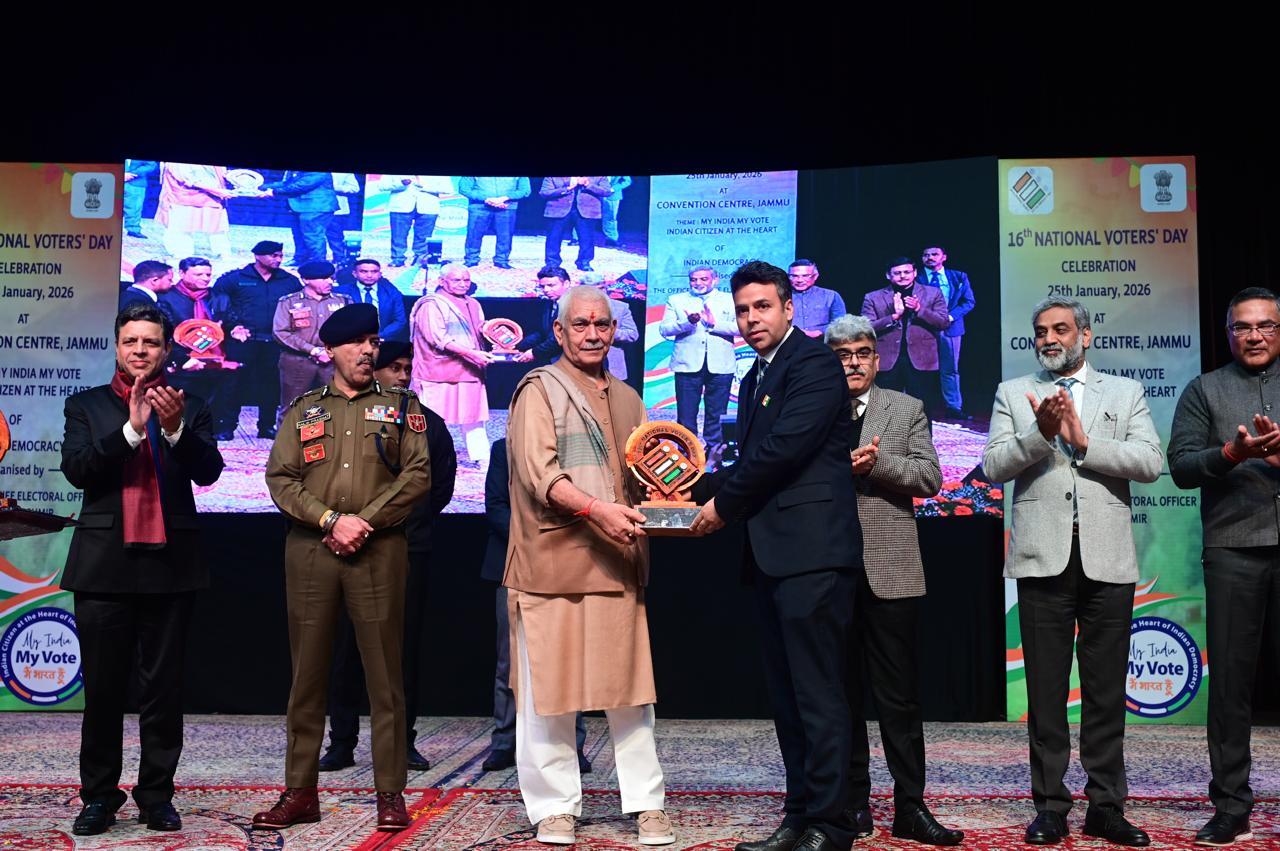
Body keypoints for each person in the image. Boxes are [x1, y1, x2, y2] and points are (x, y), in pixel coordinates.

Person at [689, 260, 862, 851]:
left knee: (818, 694)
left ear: (789, 308)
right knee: (788, 698)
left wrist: (721, 504)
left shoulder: (813, 363)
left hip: (813, 552)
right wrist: (689, 489)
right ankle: (798, 816)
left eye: (762, 306)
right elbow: (751, 460)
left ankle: (831, 825)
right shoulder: (753, 376)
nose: (751, 319)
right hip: (772, 554)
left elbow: (786, 449)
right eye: (742, 310)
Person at [983, 296, 1161, 847]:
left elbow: (1150, 462)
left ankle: (1106, 805)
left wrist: (1084, 443)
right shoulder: (1014, 392)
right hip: (1043, 561)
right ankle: (1050, 806)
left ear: (1086, 335)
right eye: (1041, 331)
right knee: (1046, 692)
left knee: (1105, 692)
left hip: (1108, 559)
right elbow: (991, 466)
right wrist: (1039, 433)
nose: (1050, 339)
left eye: (1061, 329)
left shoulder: (1123, 392)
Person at [504, 284, 673, 846]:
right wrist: (598, 510)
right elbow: (540, 474)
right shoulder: (538, 390)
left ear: (615, 330)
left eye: (602, 324)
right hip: (550, 562)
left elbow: (646, 475)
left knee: (631, 694)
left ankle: (647, 804)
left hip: (617, 560)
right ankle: (554, 808)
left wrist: (673, 502)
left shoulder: (628, 397)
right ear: (559, 331)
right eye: (581, 324)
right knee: (547, 696)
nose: (593, 334)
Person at [255, 304, 431, 833]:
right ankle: (300, 792)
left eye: (373, 342)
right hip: (312, 551)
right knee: (307, 675)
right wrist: (331, 519)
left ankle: (390, 794)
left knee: (385, 677)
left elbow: (418, 474)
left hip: (379, 551)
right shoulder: (304, 409)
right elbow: (281, 478)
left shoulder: (402, 406)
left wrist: (363, 522)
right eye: (356, 342)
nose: (367, 351)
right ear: (330, 349)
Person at [61, 303, 225, 836]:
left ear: (166, 349)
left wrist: (174, 430)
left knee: (163, 692)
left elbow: (209, 472)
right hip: (103, 568)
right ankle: (98, 797)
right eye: (130, 341)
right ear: (116, 347)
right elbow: (78, 471)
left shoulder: (190, 406)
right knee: (103, 692)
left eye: (150, 342)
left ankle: (157, 796)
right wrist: (131, 431)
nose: (139, 350)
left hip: (170, 567)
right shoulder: (85, 405)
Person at [823, 315, 962, 846]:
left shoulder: (905, 409)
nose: (853, 363)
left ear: (877, 359)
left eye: (862, 353)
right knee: (841, 695)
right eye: (842, 355)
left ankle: (911, 806)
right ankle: (853, 803)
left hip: (891, 569)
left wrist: (876, 465)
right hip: (829, 568)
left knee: (898, 698)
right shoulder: (814, 409)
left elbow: (930, 478)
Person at [1168, 286, 1280, 847]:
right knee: (1232, 685)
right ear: (1228, 332)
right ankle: (1232, 804)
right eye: (1242, 327)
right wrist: (1232, 454)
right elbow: (1181, 466)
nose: (1254, 336)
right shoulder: (1204, 389)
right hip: (1234, 548)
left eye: (1265, 325)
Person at [318, 340, 457, 774]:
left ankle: (401, 741)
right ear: (372, 370)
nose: (402, 375)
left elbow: (440, 488)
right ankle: (341, 742)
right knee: (345, 649)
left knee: (402, 651)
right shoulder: (343, 418)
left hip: (408, 549)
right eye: (393, 367)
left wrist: (397, 524)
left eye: (407, 368)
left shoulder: (428, 424)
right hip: (348, 551)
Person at [479, 436, 592, 775]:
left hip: (567, 563)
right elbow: (495, 506)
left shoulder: (571, 449)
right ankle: (505, 743)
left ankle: (573, 744)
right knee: (509, 660)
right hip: (514, 561)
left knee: (569, 659)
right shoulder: (504, 449)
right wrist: (533, 540)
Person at [214, 241, 302, 440]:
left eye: (280, 255)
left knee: (271, 384)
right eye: (273, 255)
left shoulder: (289, 281)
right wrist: (233, 325)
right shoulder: (234, 279)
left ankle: (266, 426)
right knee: (233, 384)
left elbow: (298, 308)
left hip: (275, 341)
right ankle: (226, 427)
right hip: (243, 340)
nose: (278, 259)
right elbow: (220, 304)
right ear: (257, 256)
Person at [409, 264, 494, 465]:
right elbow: (437, 338)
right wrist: (471, 354)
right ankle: (426, 458)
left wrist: (494, 332)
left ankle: (482, 457)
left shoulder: (473, 303)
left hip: (470, 369)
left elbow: (477, 332)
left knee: (474, 417)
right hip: (436, 370)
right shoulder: (431, 304)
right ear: (442, 281)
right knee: (433, 418)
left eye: (466, 280)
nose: (463, 284)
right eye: (457, 280)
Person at [659, 265, 737, 452]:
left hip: (721, 364)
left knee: (717, 412)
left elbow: (741, 327)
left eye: (703, 279)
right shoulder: (676, 300)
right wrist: (688, 322)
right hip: (687, 364)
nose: (698, 283)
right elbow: (665, 330)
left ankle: (714, 452)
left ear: (715, 280)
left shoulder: (730, 299)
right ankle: (688, 452)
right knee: (686, 413)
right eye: (693, 279)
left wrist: (714, 324)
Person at [159, 257, 238, 436]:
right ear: (182, 273)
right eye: (198, 274)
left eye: (208, 274)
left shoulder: (220, 298)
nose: (205, 278)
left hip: (215, 359)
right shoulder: (166, 298)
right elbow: (163, 331)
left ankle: (217, 428)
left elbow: (231, 322)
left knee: (218, 395)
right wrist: (182, 356)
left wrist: (236, 329)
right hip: (181, 359)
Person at [861, 258, 949, 417]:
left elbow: (943, 323)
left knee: (921, 410)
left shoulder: (932, 293)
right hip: (887, 360)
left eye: (907, 272)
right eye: (897, 273)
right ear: (888, 275)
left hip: (922, 360)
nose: (902, 276)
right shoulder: (873, 297)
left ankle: (919, 435)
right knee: (885, 410)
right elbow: (865, 328)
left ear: (914, 273)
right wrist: (894, 317)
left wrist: (919, 309)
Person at [273, 261, 352, 427]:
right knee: (292, 407)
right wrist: (314, 350)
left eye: (331, 278)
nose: (330, 282)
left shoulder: (344, 301)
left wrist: (331, 352)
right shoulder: (288, 302)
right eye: (323, 278)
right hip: (297, 362)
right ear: (306, 280)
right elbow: (281, 332)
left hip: (334, 362)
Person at [917, 246, 975, 420]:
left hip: (950, 328)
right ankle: (914, 406)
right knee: (917, 368)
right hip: (922, 327)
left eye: (934, 254)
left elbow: (968, 301)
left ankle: (954, 407)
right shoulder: (916, 277)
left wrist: (950, 317)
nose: (930, 257)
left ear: (944, 257)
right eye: (926, 255)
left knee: (950, 369)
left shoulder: (958, 276)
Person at [155, 162, 234, 260]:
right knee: (182, 229)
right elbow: (185, 178)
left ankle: (222, 252)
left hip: (212, 198)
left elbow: (221, 175)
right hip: (184, 197)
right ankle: (182, 253)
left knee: (218, 228)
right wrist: (217, 191)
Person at [260, 171, 339, 267]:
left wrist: (274, 192)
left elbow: (302, 185)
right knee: (298, 235)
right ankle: (300, 259)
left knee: (313, 236)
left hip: (316, 207)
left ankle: (318, 264)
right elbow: (288, 183)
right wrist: (260, 187)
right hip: (300, 207)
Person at [378, 175, 454, 268]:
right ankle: (397, 259)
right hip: (400, 206)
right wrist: (401, 183)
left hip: (428, 207)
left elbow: (448, 189)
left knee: (423, 236)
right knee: (398, 235)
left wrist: (424, 186)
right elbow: (382, 186)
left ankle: (420, 259)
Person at [541, 176, 613, 272]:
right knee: (554, 238)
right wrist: (567, 188)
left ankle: (584, 263)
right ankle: (552, 263)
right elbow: (544, 192)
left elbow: (607, 192)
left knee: (587, 239)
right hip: (558, 210)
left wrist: (588, 184)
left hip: (587, 211)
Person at [458, 176, 532, 269]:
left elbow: (525, 190)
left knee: (505, 236)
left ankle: (502, 260)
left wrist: (505, 198)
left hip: (507, 206)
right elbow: (464, 189)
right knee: (474, 234)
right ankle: (471, 260)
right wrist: (486, 199)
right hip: (479, 206)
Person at [579, 272, 638, 382]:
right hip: (580, 368)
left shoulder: (621, 308)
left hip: (612, 370)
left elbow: (632, 334)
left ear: (605, 288)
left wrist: (608, 331)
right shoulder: (572, 307)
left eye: (600, 289)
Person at [336, 258, 409, 342]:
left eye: (374, 272)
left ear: (380, 274)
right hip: (349, 340)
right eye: (364, 272)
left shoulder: (392, 293)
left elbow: (400, 321)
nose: (369, 275)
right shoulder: (341, 292)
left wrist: (378, 336)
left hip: (382, 340)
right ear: (355, 274)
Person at [516, 266, 573, 365]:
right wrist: (515, 346)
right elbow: (542, 333)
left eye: (551, 285)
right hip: (554, 362)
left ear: (566, 284)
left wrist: (534, 352)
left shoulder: (576, 304)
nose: (546, 290)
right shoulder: (548, 304)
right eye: (542, 286)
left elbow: (562, 337)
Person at [788, 259, 846, 338]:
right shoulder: (782, 296)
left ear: (815, 276)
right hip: (791, 341)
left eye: (805, 276)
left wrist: (821, 332)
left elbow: (841, 323)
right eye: (794, 276)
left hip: (823, 341)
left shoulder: (831, 296)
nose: (799, 280)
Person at [123, 159, 158, 238]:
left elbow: (151, 165)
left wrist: (132, 174)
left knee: (135, 207)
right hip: (114, 179)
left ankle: (133, 230)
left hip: (136, 182)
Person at [601, 175, 632, 246]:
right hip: (594, 193)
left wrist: (613, 189)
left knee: (610, 218)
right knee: (585, 215)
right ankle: (578, 238)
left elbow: (627, 181)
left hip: (613, 195)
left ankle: (611, 239)